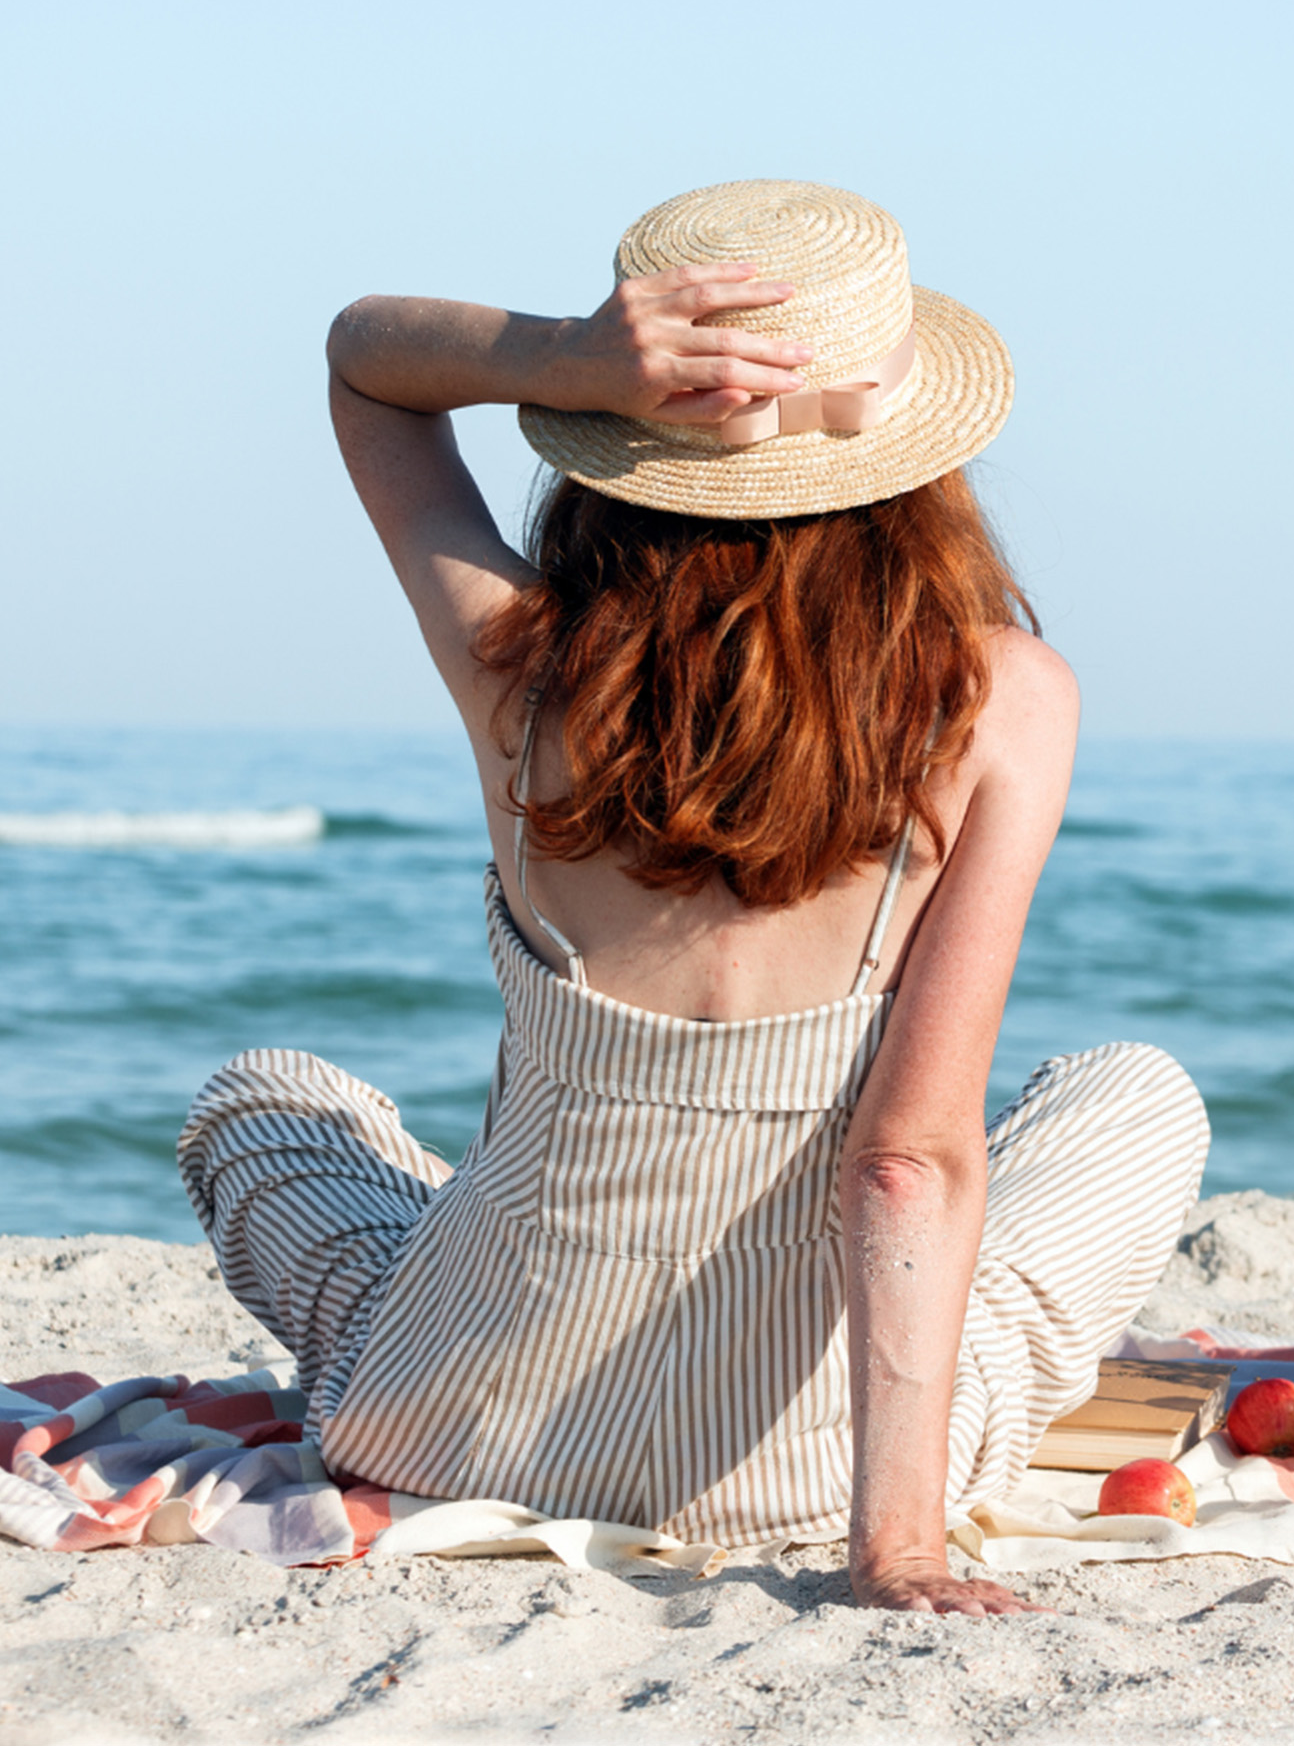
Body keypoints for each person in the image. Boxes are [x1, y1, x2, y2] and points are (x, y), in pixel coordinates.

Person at [177, 179, 1209, 1616]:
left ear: (617, 449)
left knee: (262, 1096)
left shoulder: (518, 671)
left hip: (451, 1424)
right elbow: (906, 1163)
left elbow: (366, 363)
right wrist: (894, 1547)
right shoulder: (1001, 705)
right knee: (1130, 1092)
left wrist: (561, 357)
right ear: (920, 448)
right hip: (797, 1467)